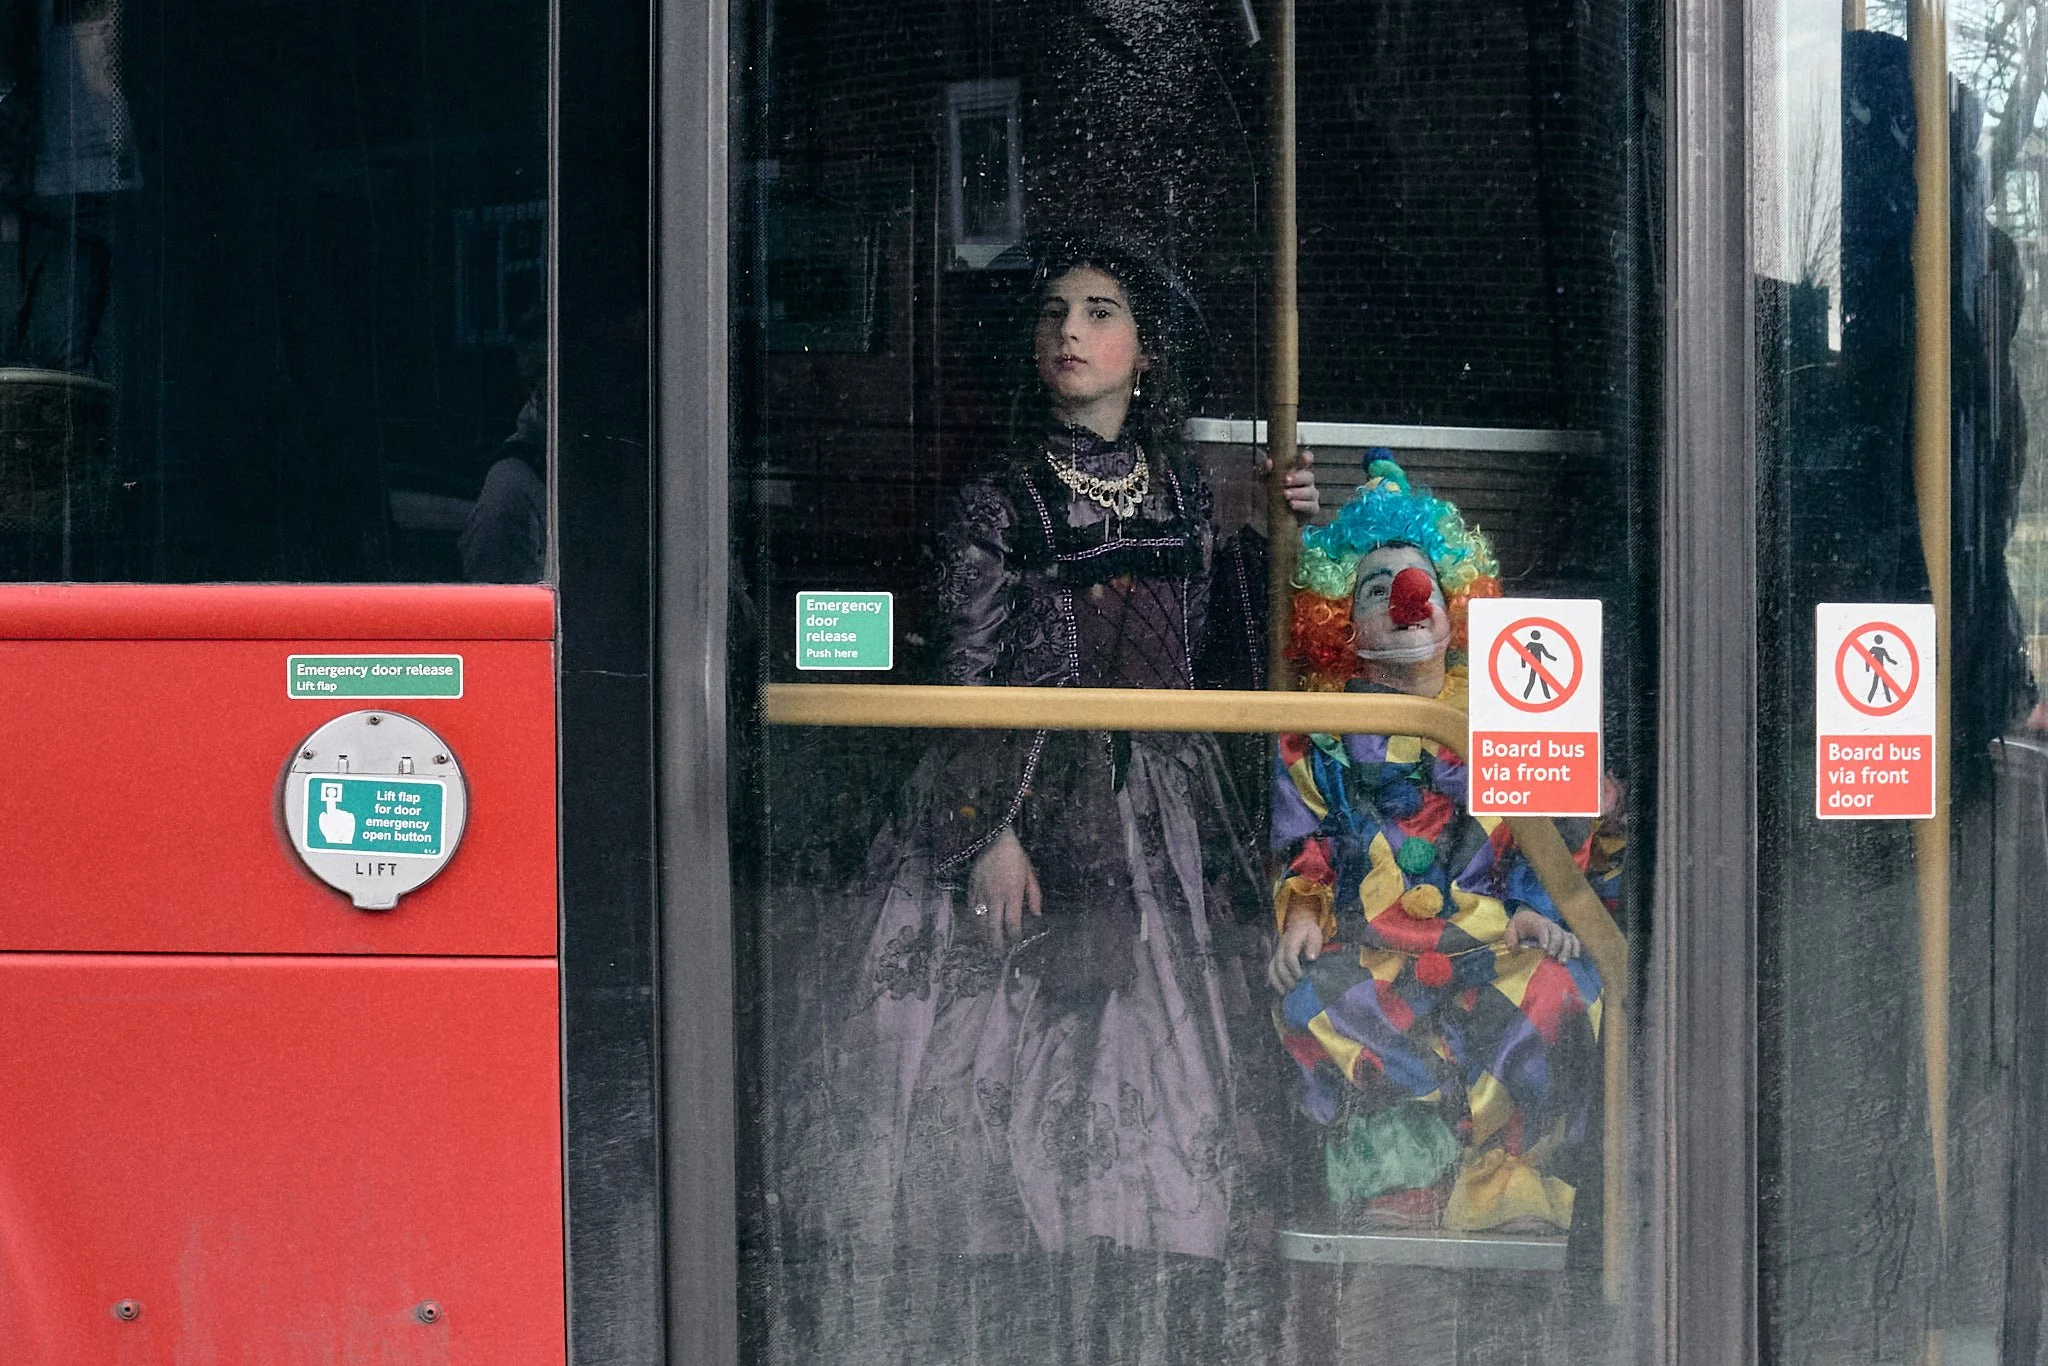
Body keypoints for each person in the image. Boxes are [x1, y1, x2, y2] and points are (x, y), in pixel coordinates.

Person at [794, 235, 1315, 1364]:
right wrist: (991, 833)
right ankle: (1024, 1301)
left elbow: (1223, 659)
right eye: (1052, 315)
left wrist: (1285, 529)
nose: (1069, 333)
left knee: (1164, 1056)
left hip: (1160, 800)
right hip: (1026, 795)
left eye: (1097, 312)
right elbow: (965, 684)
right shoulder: (998, 500)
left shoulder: (1182, 489)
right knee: (1001, 1050)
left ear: (1145, 351)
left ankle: (1132, 1284)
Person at [1266, 459, 1618, 1235]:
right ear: (1340, 623)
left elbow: (1548, 824)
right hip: (1374, 945)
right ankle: (1405, 1168)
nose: (1407, 598)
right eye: (1374, 587)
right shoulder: (1319, 734)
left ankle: (1501, 1173)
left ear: (1457, 607)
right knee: (1313, 1001)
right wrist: (1303, 910)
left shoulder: (1508, 712)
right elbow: (1311, 841)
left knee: (1563, 992)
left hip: (1489, 940)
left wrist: (1529, 906)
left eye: (1423, 582)